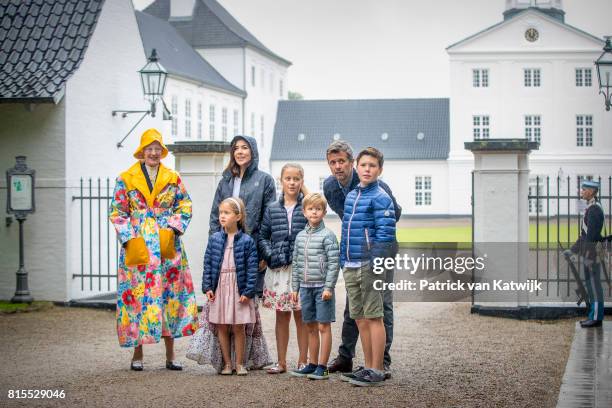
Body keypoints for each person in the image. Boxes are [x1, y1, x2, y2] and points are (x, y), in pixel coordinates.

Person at [109, 128, 198, 371]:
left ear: (162, 152)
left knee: (170, 296)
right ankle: (137, 356)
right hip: (138, 244)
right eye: (150, 148)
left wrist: (174, 230)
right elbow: (117, 211)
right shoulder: (125, 178)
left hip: (166, 242)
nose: (154, 153)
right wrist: (128, 239)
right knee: (138, 298)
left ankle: (171, 356)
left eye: (158, 149)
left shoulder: (173, 177)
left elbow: (185, 205)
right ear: (142, 151)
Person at [323, 140, 401, 378]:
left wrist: (372, 246)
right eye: (333, 163)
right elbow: (346, 217)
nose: (338, 167)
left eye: (342, 161)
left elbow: (392, 215)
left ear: (351, 163)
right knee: (354, 310)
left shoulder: (376, 187)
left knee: (379, 307)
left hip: (376, 252)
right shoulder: (331, 187)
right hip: (354, 253)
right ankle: (348, 358)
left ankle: (380, 362)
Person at [340, 147, 396, 387]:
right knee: (360, 318)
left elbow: (385, 235)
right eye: (363, 165)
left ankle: (378, 368)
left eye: (372, 166)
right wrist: (343, 260)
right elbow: (346, 232)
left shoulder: (381, 197)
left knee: (374, 317)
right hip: (351, 264)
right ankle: (368, 366)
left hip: (370, 265)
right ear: (356, 166)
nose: (367, 169)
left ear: (379, 170)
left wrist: (376, 262)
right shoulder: (352, 195)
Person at [209, 135, 276, 297]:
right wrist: (213, 246)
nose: (240, 152)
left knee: (248, 300)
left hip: (251, 249)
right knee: (226, 297)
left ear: (253, 151)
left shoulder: (265, 180)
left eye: (244, 147)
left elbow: (269, 220)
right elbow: (214, 217)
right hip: (225, 247)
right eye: (236, 148)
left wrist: (265, 253)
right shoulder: (225, 181)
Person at [258, 163, 309, 374]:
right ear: (281, 180)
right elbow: (262, 237)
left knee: (301, 316)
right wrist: (270, 255)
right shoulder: (272, 208)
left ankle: (303, 361)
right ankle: (281, 362)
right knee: (281, 316)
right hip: (279, 270)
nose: (292, 182)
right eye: (288, 178)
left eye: (296, 178)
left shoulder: (307, 206)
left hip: (300, 269)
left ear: (301, 181)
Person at [202, 198, 258, 375]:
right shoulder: (214, 239)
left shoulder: (247, 241)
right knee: (221, 326)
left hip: (238, 288)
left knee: (238, 326)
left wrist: (248, 291)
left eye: (227, 213)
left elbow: (252, 268)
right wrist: (208, 287)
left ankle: (240, 363)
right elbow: (208, 264)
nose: (222, 216)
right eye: (220, 213)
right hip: (220, 287)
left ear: (238, 216)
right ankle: (227, 364)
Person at [290, 193, 340, 380]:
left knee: (323, 327)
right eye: (311, 209)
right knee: (310, 326)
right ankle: (311, 364)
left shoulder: (328, 236)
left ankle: (323, 366)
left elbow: (334, 263)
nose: (314, 212)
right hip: (305, 287)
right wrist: (295, 288)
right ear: (304, 212)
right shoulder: (300, 237)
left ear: (324, 212)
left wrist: (329, 287)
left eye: (318, 209)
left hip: (322, 289)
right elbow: (296, 263)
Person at [564, 179, 606, 328]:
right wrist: (573, 249)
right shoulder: (592, 207)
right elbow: (584, 234)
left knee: (594, 286)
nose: (581, 192)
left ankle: (596, 317)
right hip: (591, 253)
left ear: (591, 191)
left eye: (584, 189)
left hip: (592, 254)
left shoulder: (594, 209)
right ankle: (593, 315)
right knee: (592, 285)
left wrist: (587, 256)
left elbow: (591, 237)